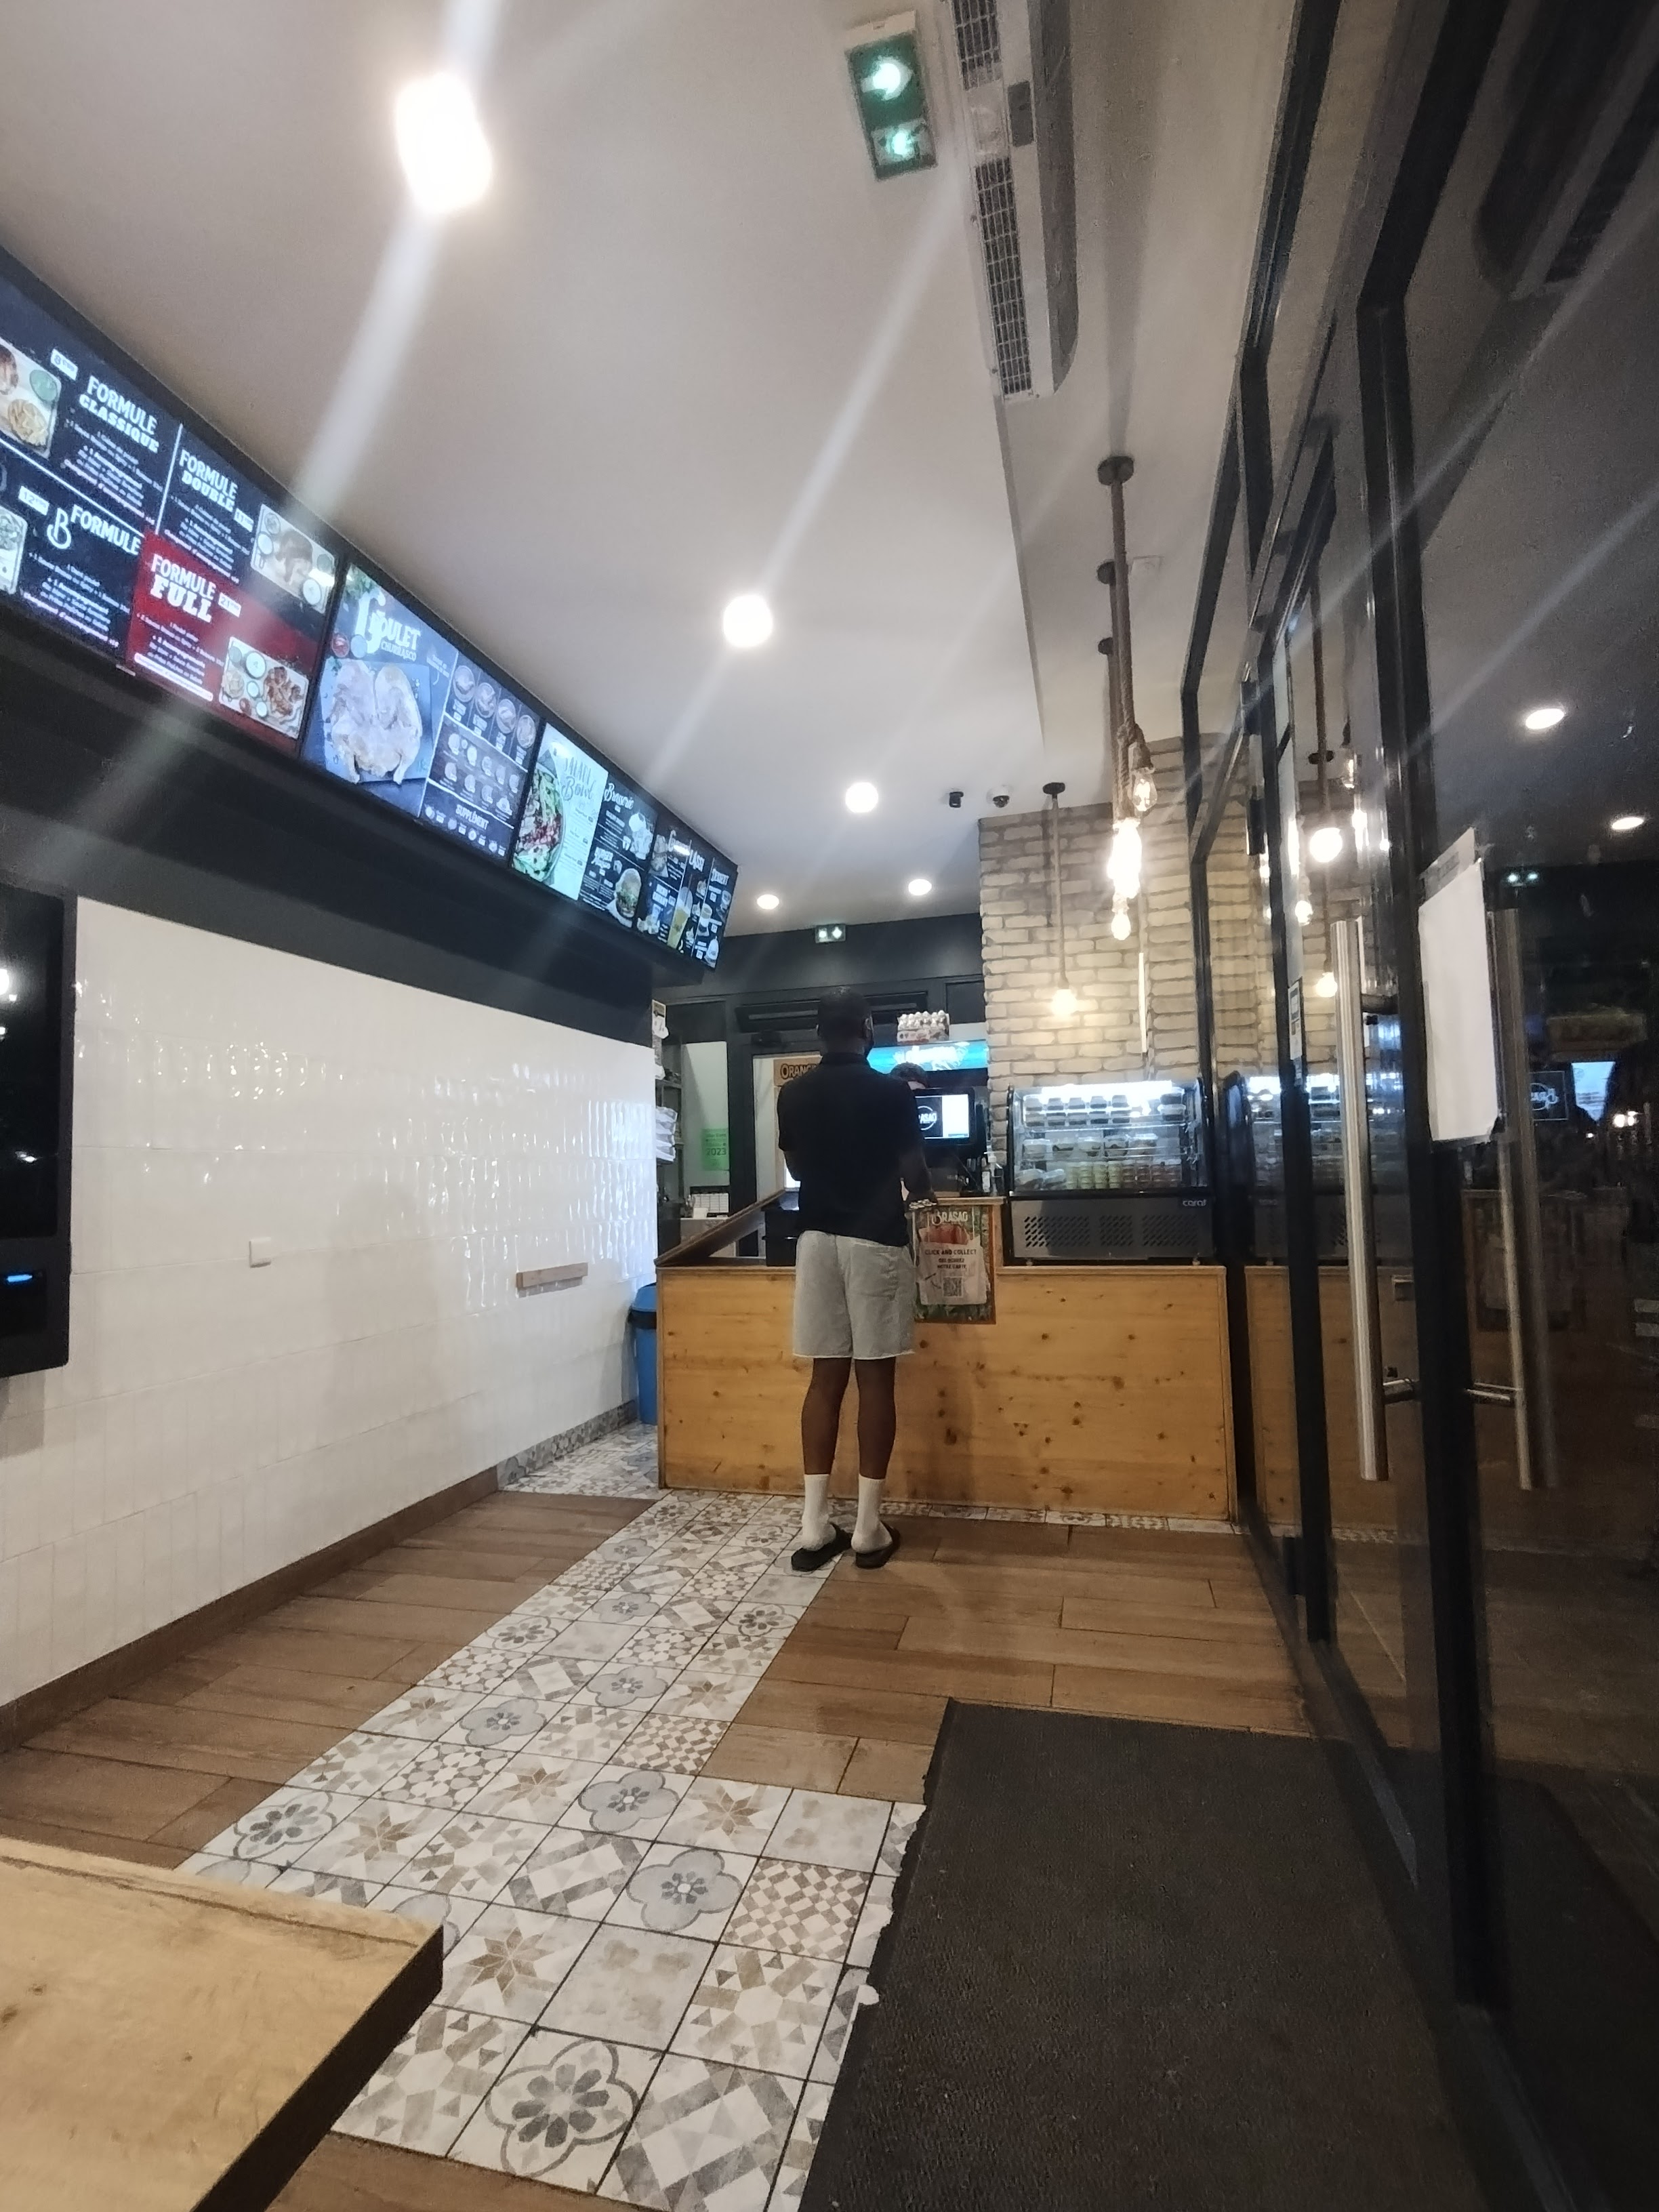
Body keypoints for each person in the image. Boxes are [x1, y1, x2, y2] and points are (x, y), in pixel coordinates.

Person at [778, 989, 931, 1572]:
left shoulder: (793, 1093)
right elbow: (916, 1175)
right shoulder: (891, 1092)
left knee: (824, 1380)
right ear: (867, 1027)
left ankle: (815, 1526)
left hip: (816, 1240)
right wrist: (911, 1194)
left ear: (819, 1032)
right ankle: (868, 1529)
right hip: (875, 1240)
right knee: (875, 1381)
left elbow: (797, 1168)